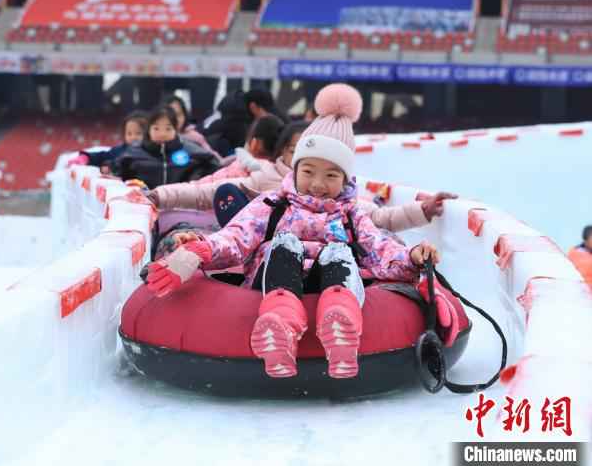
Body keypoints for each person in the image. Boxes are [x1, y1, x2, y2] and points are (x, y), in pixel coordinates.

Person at [144, 84, 445, 380]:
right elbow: (237, 235)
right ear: (295, 168)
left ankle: (341, 326)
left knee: (339, 251)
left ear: (345, 178)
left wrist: (412, 257)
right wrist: (201, 250)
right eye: (308, 171)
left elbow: (379, 246)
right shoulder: (273, 203)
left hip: (327, 284)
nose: (317, 184)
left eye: (331, 175)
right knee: (285, 243)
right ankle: (279, 324)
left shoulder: (352, 214)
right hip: (275, 279)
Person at [148, 116, 292, 222]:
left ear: (254, 143)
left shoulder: (247, 168)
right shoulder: (269, 174)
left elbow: (204, 190)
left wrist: (159, 194)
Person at [111, 105, 219, 189]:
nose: (162, 134)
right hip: (144, 205)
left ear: (176, 129)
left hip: (181, 204)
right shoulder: (134, 152)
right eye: (156, 128)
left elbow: (213, 164)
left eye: (168, 129)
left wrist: (195, 180)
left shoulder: (190, 150)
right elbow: (117, 171)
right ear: (148, 129)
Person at [68, 111, 147, 172]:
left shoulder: (152, 153)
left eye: (138, 133)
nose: (133, 137)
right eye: (129, 134)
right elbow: (103, 156)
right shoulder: (120, 150)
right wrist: (86, 157)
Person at [162, 94, 225, 162]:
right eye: (171, 115)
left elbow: (215, 160)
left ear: (184, 115)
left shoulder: (195, 136)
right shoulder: (156, 138)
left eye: (179, 114)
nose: (176, 119)